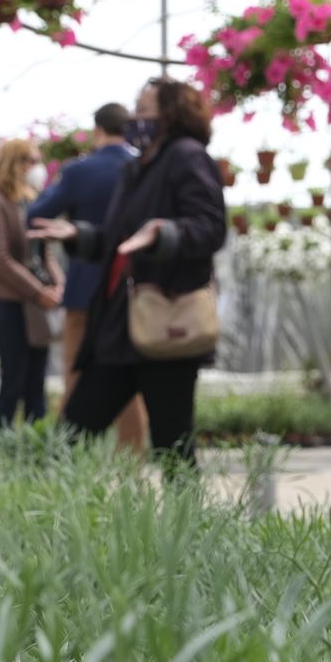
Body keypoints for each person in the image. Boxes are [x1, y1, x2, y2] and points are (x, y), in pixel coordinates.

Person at [30, 78, 226, 465]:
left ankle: (184, 524)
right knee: (71, 434)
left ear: (170, 114)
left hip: (163, 325)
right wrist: (81, 236)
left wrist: (164, 232)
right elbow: (121, 241)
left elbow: (210, 226)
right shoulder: (138, 168)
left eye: (143, 110)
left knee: (173, 446)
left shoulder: (187, 157)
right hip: (120, 328)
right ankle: (49, 519)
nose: (135, 118)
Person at [28, 103, 148, 451]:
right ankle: (132, 466)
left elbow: (37, 215)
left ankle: (68, 461)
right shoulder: (141, 167)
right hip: (129, 290)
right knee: (129, 380)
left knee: (75, 375)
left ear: (98, 131)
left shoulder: (79, 171)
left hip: (83, 291)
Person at [0, 139, 61, 429]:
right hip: (9, 303)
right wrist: (37, 290)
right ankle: (3, 443)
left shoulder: (31, 202)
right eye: (27, 160)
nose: (35, 167)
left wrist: (57, 285)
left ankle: (35, 448)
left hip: (36, 305)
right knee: (13, 377)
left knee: (36, 381)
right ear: (11, 163)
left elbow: (45, 253)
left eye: (37, 160)